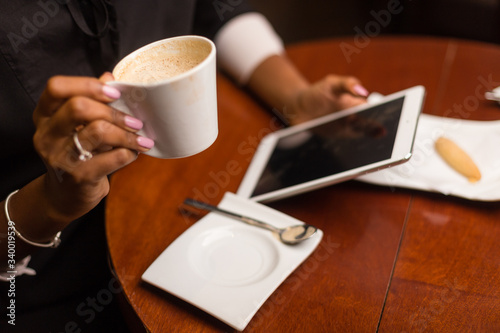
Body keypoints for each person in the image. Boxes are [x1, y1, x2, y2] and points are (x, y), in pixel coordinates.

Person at [0, 0, 368, 331]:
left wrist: (295, 98)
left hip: (173, 202)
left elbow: (215, 10)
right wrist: (51, 205)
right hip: (40, 284)